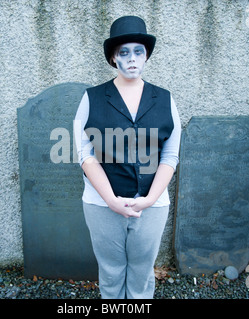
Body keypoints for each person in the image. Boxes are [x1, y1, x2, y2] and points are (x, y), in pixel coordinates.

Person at [74, 15, 181, 299]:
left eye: (138, 51)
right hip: (101, 205)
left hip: (152, 205)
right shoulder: (92, 98)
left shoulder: (165, 99)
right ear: (113, 58)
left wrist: (149, 199)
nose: (132, 59)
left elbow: (170, 155)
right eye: (124, 52)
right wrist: (110, 200)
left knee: (142, 272)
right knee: (110, 271)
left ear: (146, 56)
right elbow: (85, 155)